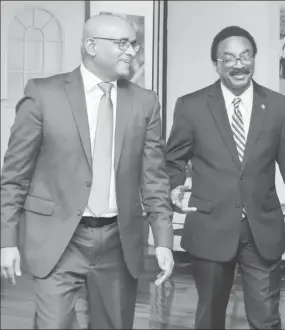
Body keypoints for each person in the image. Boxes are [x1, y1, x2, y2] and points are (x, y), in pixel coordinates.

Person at [0, 14, 174, 329]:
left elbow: (154, 179)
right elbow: (14, 176)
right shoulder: (43, 94)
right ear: (91, 46)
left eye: (133, 44)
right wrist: (6, 240)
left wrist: (163, 239)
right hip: (58, 237)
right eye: (122, 43)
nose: (131, 52)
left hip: (118, 241)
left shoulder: (145, 103)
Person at [166, 26, 285, 329]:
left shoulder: (280, 107)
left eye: (245, 56)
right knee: (210, 316)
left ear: (254, 59)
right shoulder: (191, 106)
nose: (238, 64)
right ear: (216, 64)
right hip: (210, 227)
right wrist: (175, 185)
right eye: (228, 58)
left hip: (262, 231)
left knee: (266, 318)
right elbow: (172, 160)